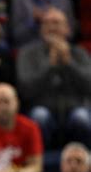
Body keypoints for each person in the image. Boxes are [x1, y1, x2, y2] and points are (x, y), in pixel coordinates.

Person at [17, 8, 91, 148]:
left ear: (67, 29)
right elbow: (25, 89)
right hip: (40, 108)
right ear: (41, 29)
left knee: (81, 117)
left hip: (76, 109)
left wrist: (69, 63)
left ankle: (83, 162)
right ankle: (39, 162)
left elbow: (89, 86)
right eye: (46, 23)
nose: (51, 27)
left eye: (56, 23)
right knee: (40, 116)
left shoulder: (80, 53)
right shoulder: (27, 54)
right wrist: (49, 66)